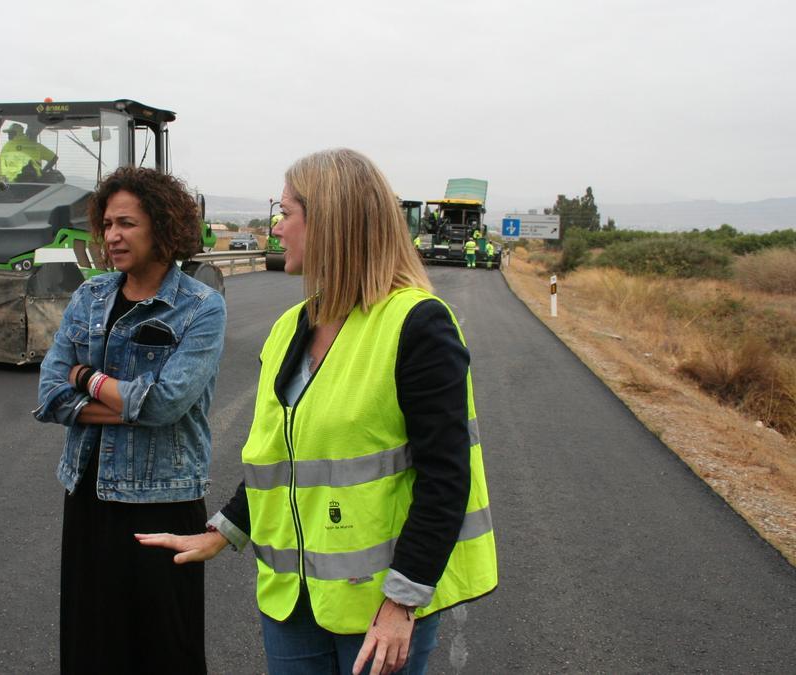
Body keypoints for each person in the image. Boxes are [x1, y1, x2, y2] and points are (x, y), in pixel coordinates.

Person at [138, 148, 497, 675]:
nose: (276, 228)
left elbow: (446, 478)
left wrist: (401, 603)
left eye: (286, 213)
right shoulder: (291, 327)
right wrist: (223, 531)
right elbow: (281, 458)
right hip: (293, 600)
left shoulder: (418, 324)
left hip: (379, 610)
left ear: (330, 222)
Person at [34, 166, 227, 674]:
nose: (112, 236)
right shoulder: (89, 298)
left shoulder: (201, 307)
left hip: (163, 499)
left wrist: (88, 378)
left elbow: (167, 404)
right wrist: (128, 405)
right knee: (91, 645)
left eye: (127, 224)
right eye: (108, 224)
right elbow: (50, 395)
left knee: (166, 649)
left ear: (162, 227)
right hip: (88, 496)